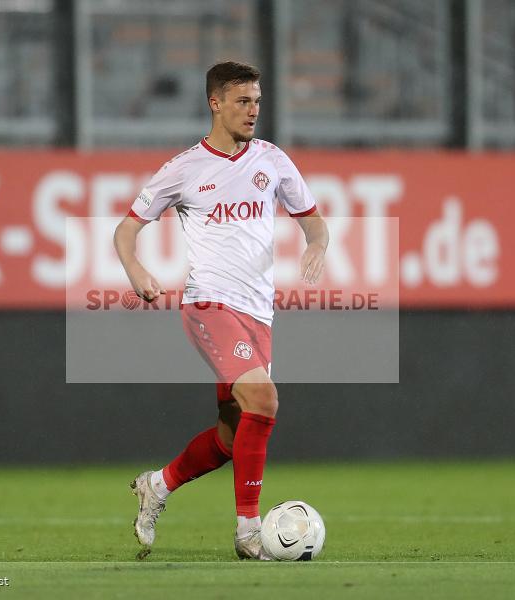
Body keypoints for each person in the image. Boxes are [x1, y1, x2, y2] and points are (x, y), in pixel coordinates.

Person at [114, 61, 329, 560]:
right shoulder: (185, 168)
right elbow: (125, 230)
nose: (253, 111)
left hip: (258, 314)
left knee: (233, 438)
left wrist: (316, 246)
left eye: (257, 101)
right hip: (208, 304)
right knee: (265, 399)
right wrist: (137, 271)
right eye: (242, 101)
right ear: (215, 103)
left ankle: (158, 485)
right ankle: (248, 530)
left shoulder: (273, 160)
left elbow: (315, 223)